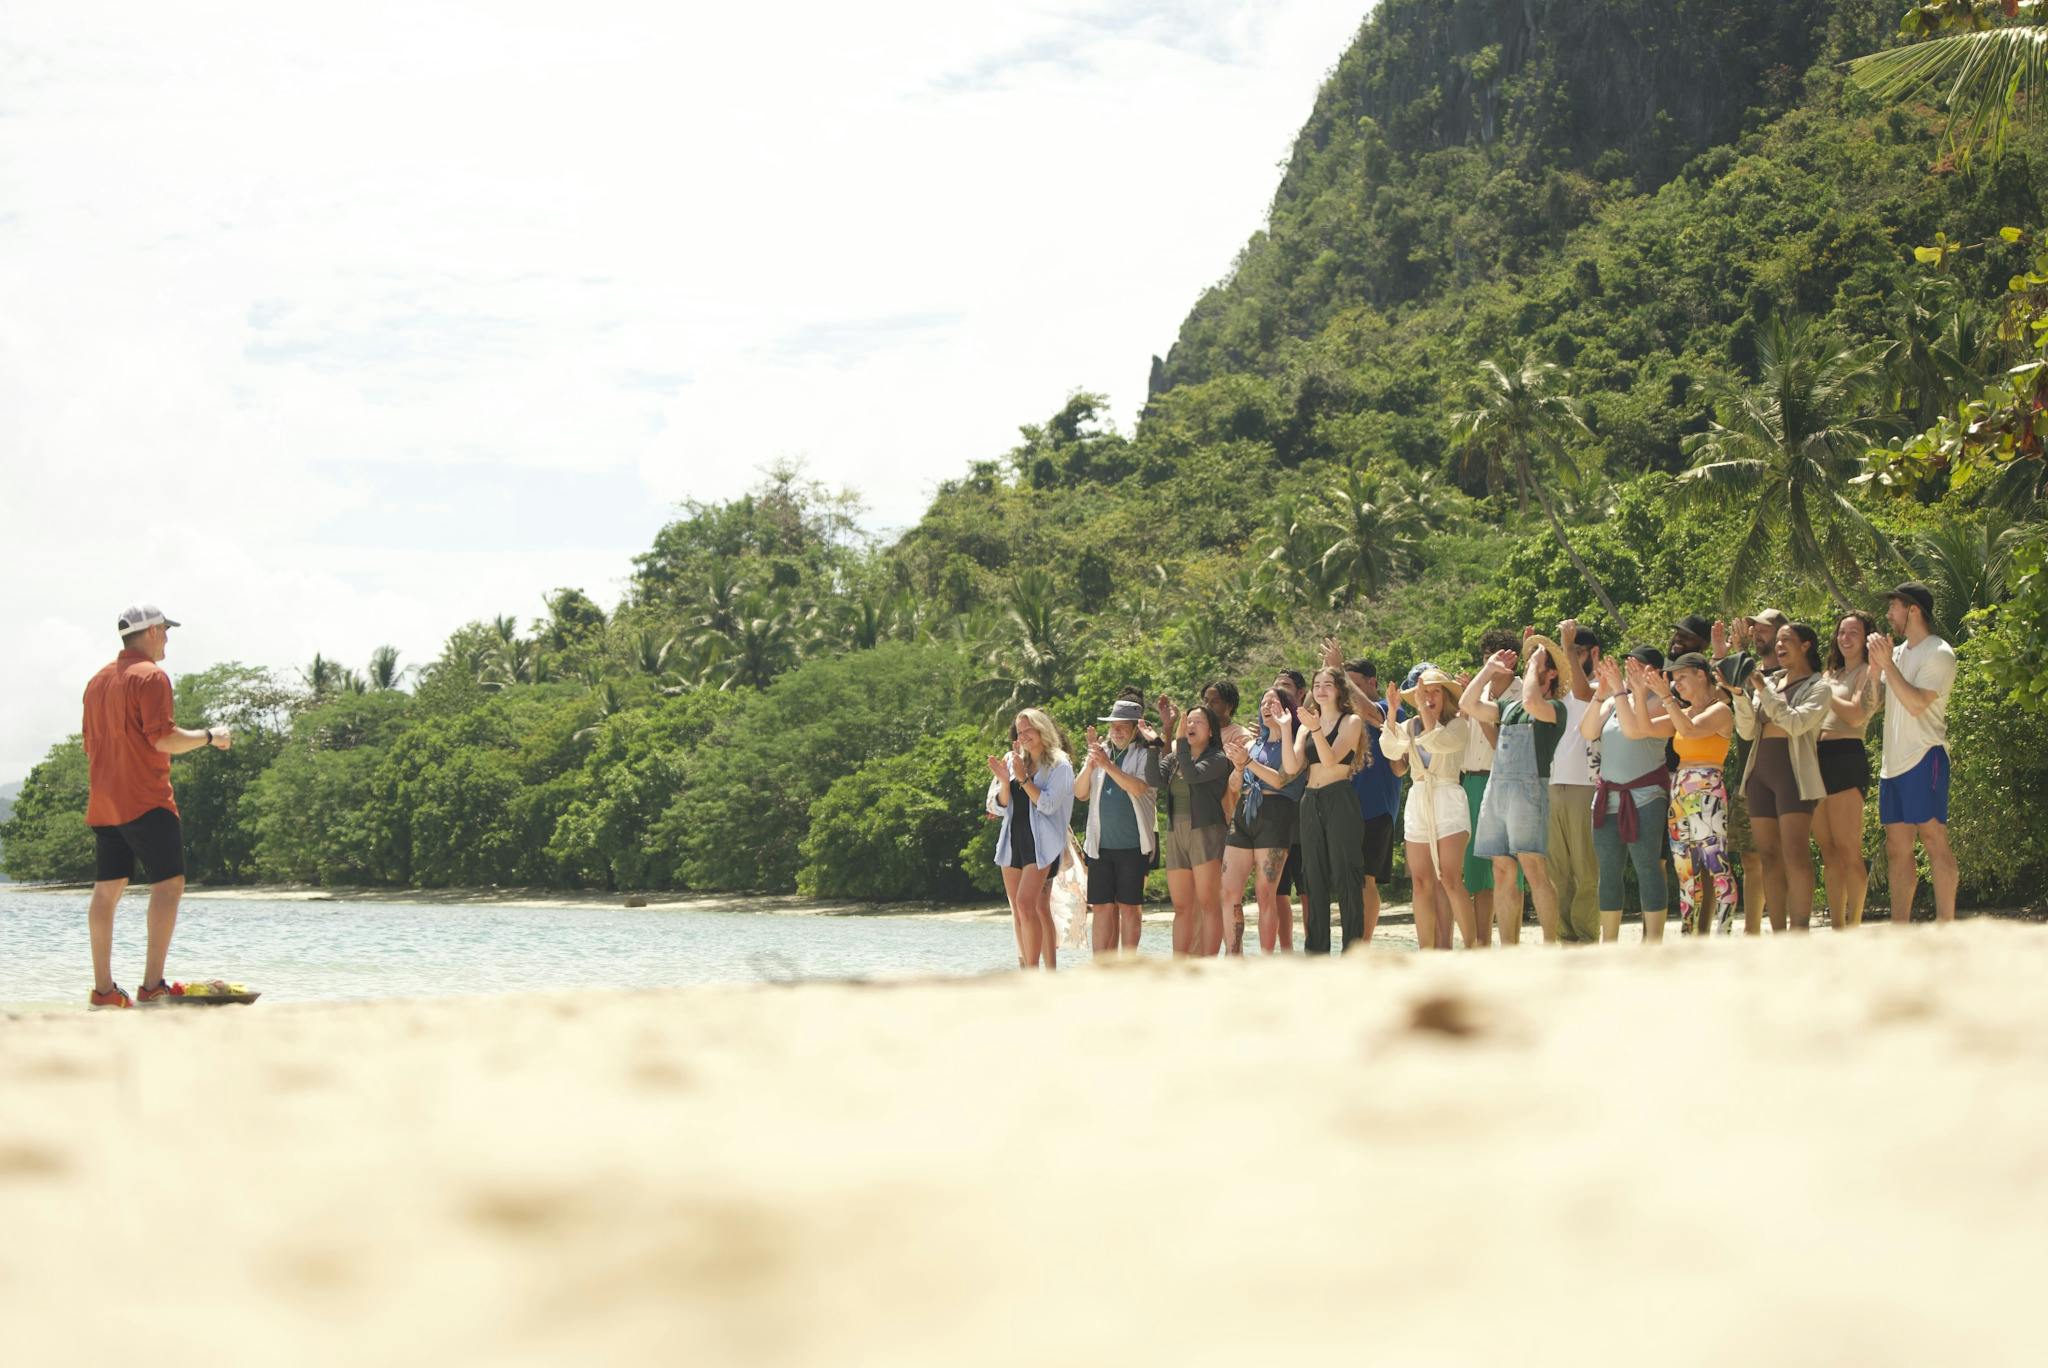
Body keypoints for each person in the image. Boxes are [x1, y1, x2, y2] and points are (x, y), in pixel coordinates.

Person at [80, 605, 233, 1008]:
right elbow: (164, 739)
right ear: (149, 632)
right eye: (165, 630)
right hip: (146, 799)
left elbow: (89, 746)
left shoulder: (96, 682)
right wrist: (209, 736)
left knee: (107, 889)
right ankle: (152, 987)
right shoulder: (151, 676)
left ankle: (104, 991)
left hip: (105, 802)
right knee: (169, 884)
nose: (167, 637)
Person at [1460, 635, 1569, 943]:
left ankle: (1551, 944)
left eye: (1540, 664)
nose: (1531, 665)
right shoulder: (1508, 707)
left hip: (1531, 791)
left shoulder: (1555, 708)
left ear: (1551, 674)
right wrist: (1487, 671)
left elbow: (1533, 701)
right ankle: (1509, 947)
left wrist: (1533, 662)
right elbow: (1468, 704)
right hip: (1498, 790)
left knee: (1534, 868)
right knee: (1501, 868)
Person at [1870, 582, 1960, 924]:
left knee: (1934, 838)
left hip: (1925, 757)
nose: (1888, 614)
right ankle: (1900, 927)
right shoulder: (1894, 654)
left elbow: (1917, 704)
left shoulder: (1939, 652)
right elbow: (1874, 705)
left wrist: (1887, 666)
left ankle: (1945, 924)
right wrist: (1874, 668)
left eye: (1893, 606)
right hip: (1892, 764)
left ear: (1913, 610)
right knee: (1896, 848)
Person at [1736, 622, 1831, 933]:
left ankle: (1800, 930)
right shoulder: (1771, 681)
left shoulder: (1818, 686)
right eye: (1776, 641)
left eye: (1786, 640)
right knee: (1768, 856)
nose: (1778, 646)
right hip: (1759, 774)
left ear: (1806, 645)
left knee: (1795, 853)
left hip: (1793, 775)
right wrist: (1739, 694)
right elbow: (1748, 730)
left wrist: (1763, 690)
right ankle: (1777, 931)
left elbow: (1795, 723)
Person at [1640, 653, 1736, 936]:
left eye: (1682, 677)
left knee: (1716, 863)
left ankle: (1725, 933)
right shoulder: (1684, 712)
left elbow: (1690, 731)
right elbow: (1645, 729)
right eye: (1674, 679)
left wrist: (1666, 698)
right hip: (1681, 792)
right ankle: (1689, 933)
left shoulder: (1720, 710)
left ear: (1701, 674)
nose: (1676, 684)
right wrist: (1638, 690)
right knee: (1684, 869)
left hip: (1708, 791)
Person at [1380, 668, 1476, 950]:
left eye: (1435, 691)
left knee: (1450, 877)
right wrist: (1392, 712)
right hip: (1419, 799)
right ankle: (1426, 950)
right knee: (1420, 882)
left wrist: (1423, 709)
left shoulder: (1458, 724)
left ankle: (1473, 946)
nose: (1429, 697)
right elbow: (1390, 749)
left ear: (1445, 696)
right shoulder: (1410, 726)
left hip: (1448, 797)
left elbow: (1439, 741)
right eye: (1424, 692)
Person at [1581, 649, 1673, 943]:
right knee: (1608, 871)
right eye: (1628, 665)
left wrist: (1622, 690)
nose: (1631, 671)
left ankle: (1653, 941)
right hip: (1608, 798)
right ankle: (1609, 941)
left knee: (1647, 867)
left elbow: (1634, 731)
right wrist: (1602, 694)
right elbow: (1587, 731)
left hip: (1646, 797)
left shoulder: (1662, 704)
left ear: (1656, 673)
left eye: (1639, 667)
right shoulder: (1613, 701)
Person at [1284, 667, 1368, 953]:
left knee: (1346, 874)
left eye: (1328, 685)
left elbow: (1331, 761)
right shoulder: (1306, 725)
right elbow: (1292, 767)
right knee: (1314, 876)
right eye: (1316, 685)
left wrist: (1317, 728)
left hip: (1339, 798)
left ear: (1339, 690)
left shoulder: (1351, 721)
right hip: (1310, 799)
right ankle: (1316, 950)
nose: (1321, 690)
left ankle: (1353, 950)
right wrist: (1287, 728)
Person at [1321, 645, 1398, 945]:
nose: (1346, 690)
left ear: (1371, 682)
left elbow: (1373, 715)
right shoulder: (1343, 719)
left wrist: (1339, 673)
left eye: (1351, 682)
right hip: (1346, 808)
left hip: (1377, 808)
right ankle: (1351, 942)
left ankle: (1361, 944)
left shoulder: (1392, 709)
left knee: (1366, 878)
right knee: (1347, 881)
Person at [988, 708, 1075, 970]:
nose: (1023, 735)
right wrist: (1005, 781)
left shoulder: (1060, 764)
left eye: (1028, 730)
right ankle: (1026, 968)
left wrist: (1024, 778)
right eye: (1020, 731)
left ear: (1042, 730)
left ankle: (1037, 972)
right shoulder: (1011, 758)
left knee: (1029, 905)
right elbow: (995, 806)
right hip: (1013, 840)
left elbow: (1047, 805)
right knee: (1019, 910)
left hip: (1043, 845)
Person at [1075, 698, 1162, 956]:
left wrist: (1107, 765)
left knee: (1129, 907)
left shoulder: (1146, 755)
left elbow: (1138, 788)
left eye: (1123, 726)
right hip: (1100, 846)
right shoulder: (1100, 752)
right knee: (1101, 907)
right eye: (1113, 725)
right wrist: (1091, 764)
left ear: (1135, 728)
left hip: (1133, 845)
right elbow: (1080, 793)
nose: (1117, 731)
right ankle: (1101, 965)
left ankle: (1129, 963)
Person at [1223, 683, 1305, 954]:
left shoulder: (1294, 743)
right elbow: (1235, 786)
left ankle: (1268, 958)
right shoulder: (1253, 744)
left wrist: (1248, 763)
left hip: (1276, 815)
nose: (1266, 707)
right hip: (1245, 813)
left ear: (1286, 709)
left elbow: (1281, 780)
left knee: (1265, 893)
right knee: (1228, 891)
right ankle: (1234, 955)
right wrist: (1238, 767)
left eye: (1273, 703)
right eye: (1263, 703)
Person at [1816, 612, 1881, 929]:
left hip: (1846, 756)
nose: (1845, 637)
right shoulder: (1831, 673)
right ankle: (1838, 927)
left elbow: (1857, 715)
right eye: (1841, 631)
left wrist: (1824, 692)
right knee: (1827, 850)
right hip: (1817, 759)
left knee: (1848, 849)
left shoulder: (1868, 671)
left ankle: (1854, 924)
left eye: (1853, 632)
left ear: (1867, 636)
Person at [1461, 629, 1524, 944]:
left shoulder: (1522, 694)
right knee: (1477, 874)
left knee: (1508, 869)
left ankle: (1510, 943)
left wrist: (1479, 712)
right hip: (1470, 781)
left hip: (1504, 780)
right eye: (1485, 659)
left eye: (1494, 658)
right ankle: (1482, 945)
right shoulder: (1477, 689)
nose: (1487, 665)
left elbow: (1503, 746)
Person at [1157, 695, 1232, 956]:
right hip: (1176, 831)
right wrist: (1153, 743)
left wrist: (1179, 743)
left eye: (1198, 721)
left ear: (1211, 731)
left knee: (1209, 903)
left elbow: (1192, 776)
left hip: (1206, 831)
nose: (1191, 724)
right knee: (1181, 907)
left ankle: (1208, 962)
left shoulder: (1218, 758)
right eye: (1188, 721)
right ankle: (1179, 963)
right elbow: (1152, 778)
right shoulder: (1177, 757)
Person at [1544, 620, 1603, 944]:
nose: (1570, 658)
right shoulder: (1559, 689)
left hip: (1585, 785)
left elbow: (1582, 693)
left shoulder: (1597, 687)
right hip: (1554, 785)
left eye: (1577, 652)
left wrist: (1564, 646)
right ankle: (1565, 935)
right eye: (1568, 651)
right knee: (1559, 871)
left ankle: (1586, 935)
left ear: (1593, 653)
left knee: (1585, 870)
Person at [1200, 680, 1252, 956]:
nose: (1209, 706)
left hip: (1229, 820)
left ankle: (1235, 952)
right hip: (1200, 822)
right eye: (1206, 700)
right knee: (1206, 893)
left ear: (1229, 706)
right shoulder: (1198, 732)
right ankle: (1208, 954)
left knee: (1229, 892)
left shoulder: (1240, 736)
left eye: (1215, 701)